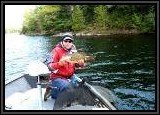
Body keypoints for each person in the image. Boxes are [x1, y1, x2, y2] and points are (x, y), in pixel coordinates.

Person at [44, 32, 85, 101]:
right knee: (68, 91)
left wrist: (80, 64)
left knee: (80, 88)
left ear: (72, 42)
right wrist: (59, 64)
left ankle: (60, 90)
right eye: (66, 41)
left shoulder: (74, 51)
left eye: (70, 41)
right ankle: (52, 91)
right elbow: (49, 67)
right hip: (57, 77)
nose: (68, 43)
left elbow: (75, 64)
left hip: (70, 76)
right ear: (62, 41)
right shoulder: (56, 51)